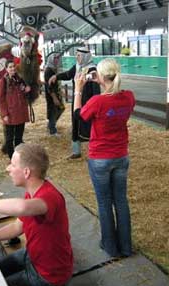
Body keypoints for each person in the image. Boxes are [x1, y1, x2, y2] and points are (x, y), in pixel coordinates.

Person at [0, 143, 73, 286]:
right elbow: (18, 227)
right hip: (33, 255)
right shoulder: (32, 193)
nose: (7, 169)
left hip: (49, 276)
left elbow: (21, 207)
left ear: (26, 172)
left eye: (12, 165)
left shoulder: (49, 197)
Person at [73, 58, 135, 258]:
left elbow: (78, 116)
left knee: (104, 202)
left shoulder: (97, 102)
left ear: (100, 76)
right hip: (121, 155)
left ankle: (110, 246)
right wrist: (99, 81)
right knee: (121, 201)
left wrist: (78, 89)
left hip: (100, 158)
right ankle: (126, 247)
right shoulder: (129, 97)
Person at [49, 47, 100, 159]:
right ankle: (76, 152)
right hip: (77, 102)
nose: (77, 57)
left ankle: (95, 152)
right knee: (76, 125)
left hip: (88, 105)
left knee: (90, 128)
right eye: (76, 55)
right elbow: (68, 74)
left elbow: (96, 92)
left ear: (85, 56)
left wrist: (94, 106)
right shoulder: (78, 67)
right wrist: (56, 77)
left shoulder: (92, 70)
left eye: (79, 55)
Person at [0, 60, 31, 159]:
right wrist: (5, 114)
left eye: (13, 67)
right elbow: (1, 99)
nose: (12, 69)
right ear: (6, 69)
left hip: (20, 112)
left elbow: (23, 91)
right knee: (9, 138)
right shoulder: (3, 81)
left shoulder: (20, 79)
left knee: (18, 137)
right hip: (11, 113)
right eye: (10, 67)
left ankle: (18, 157)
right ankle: (12, 158)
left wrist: (26, 90)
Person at [44, 53, 65, 136]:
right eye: (55, 58)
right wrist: (54, 97)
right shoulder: (48, 70)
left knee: (61, 108)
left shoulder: (54, 69)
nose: (57, 60)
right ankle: (52, 130)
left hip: (56, 93)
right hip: (51, 95)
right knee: (53, 110)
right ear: (51, 59)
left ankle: (50, 124)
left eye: (57, 58)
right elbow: (48, 86)